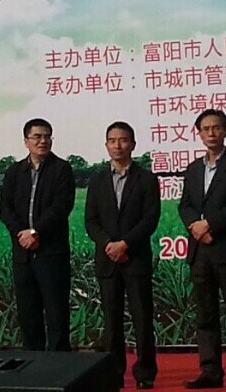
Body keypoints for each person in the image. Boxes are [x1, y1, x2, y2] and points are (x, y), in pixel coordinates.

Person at [178, 109, 226, 390]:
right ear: (198, 133)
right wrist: (195, 227)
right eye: (205, 128)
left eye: (216, 127)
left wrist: (209, 225)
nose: (211, 133)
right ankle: (210, 371)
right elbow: (185, 205)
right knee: (205, 315)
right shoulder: (193, 169)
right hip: (200, 252)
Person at [85, 122, 160, 390]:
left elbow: (150, 218)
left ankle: (145, 372)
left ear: (133, 144)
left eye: (123, 140)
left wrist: (125, 244)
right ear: (106, 145)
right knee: (112, 320)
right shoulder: (97, 181)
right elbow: (91, 221)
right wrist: (109, 245)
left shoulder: (147, 179)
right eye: (112, 140)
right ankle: (114, 372)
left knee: (142, 318)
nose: (118, 145)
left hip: (135, 258)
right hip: (107, 260)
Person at [0, 118, 75, 351]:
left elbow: (62, 206)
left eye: (47, 136)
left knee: (56, 313)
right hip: (23, 254)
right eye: (37, 136)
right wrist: (21, 234)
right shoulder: (14, 171)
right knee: (28, 313)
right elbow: (5, 208)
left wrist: (36, 232)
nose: (43, 141)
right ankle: (33, 364)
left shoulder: (62, 169)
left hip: (51, 253)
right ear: (26, 141)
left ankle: (59, 365)